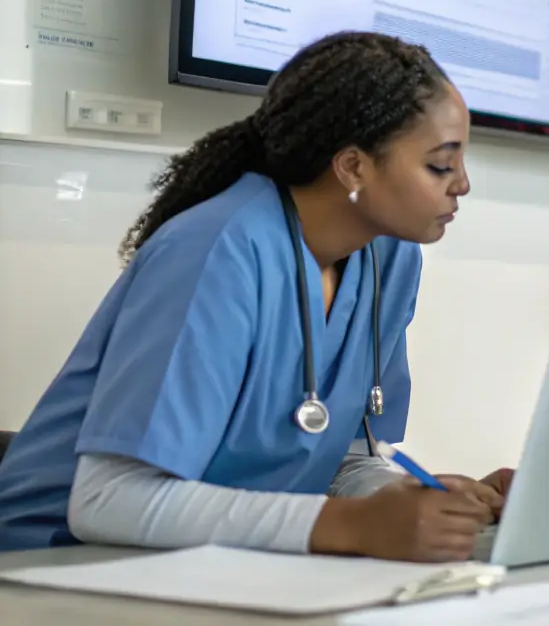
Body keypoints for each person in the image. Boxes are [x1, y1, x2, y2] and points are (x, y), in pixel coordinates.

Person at [0, 31, 512, 561]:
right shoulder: (216, 249)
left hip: (208, 567)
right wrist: (351, 526)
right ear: (354, 167)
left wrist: (430, 506)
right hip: (55, 563)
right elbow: (107, 501)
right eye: (440, 165)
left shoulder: (389, 260)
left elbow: (342, 462)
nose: (463, 185)